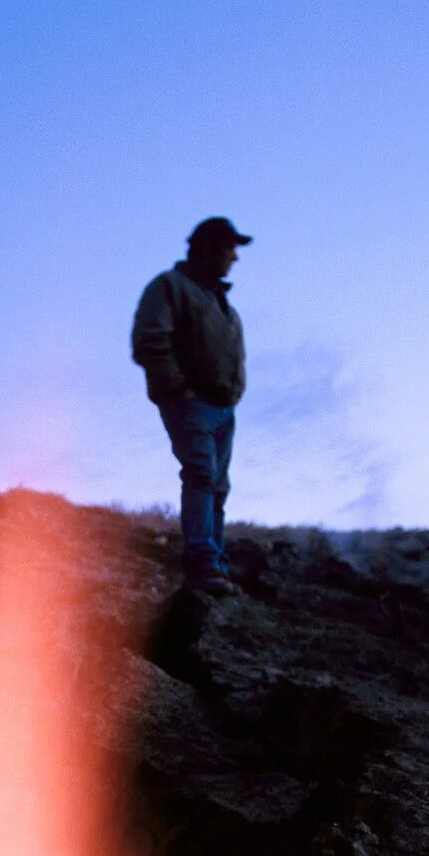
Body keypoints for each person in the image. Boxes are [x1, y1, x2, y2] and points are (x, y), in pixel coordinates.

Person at [131, 216, 252, 596]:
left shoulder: (222, 305)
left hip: (222, 408)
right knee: (201, 473)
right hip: (191, 402)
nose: (234, 257)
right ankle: (202, 562)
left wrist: (233, 395)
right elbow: (149, 340)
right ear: (211, 248)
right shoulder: (170, 286)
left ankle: (214, 562)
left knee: (217, 484)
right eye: (230, 248)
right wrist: (178, 389)